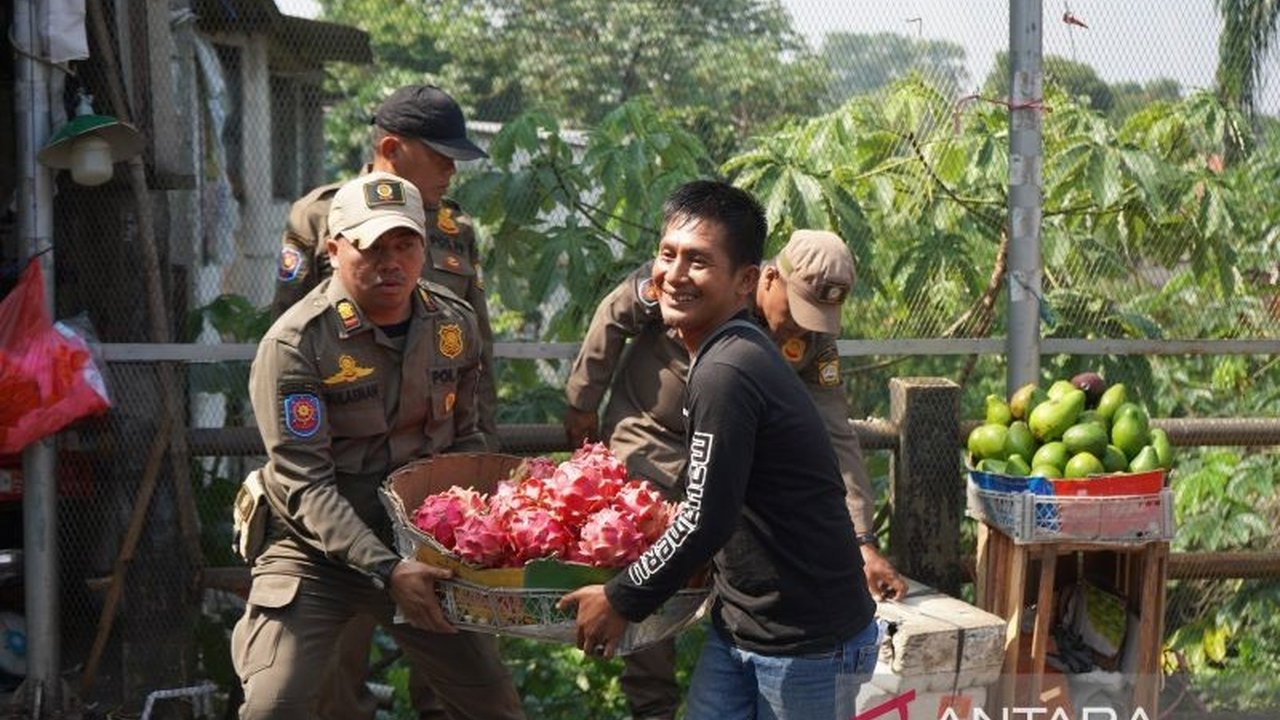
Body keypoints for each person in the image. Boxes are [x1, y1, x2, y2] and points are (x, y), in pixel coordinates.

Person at [559, 180, 881, 720]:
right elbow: (614, 316)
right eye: (668, 255)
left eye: (699, 261)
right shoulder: (728, 350)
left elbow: (706, 518)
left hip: (807, 642)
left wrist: (620, 597)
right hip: (742, 626)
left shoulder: (728, 368)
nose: (676, 274)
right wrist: (581, 404)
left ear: (744, 281)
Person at [232, 172, 525, 720]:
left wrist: (463, 535)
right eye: (371, 247)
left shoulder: (454, 324)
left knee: (493, 706)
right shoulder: (297, 343)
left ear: (424, 246)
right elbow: (305, 485)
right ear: (333, 250)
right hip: (313, 554)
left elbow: (470, 438)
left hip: (424, 550)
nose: (391, 262)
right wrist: (387, 569)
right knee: (274, 707)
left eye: (405, 244)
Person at [269, 84, 498, 718]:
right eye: (441, 155)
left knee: (455, 654)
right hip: (341, 482)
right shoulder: (319, 216)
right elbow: (288, 335)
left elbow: (475, 353)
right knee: (332, 666)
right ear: (392, 148)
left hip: (431, 487)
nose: (452, 170)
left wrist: (478, 463)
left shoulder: (453, 230)